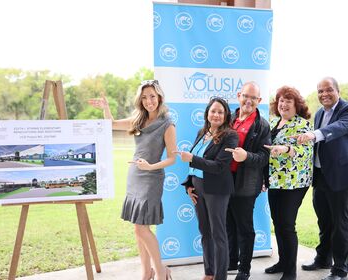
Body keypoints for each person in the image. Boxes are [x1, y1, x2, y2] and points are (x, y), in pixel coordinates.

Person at [88, 80, 176, 280]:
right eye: (144, 97)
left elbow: (172, 157)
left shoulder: (167, 124)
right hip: (135, 176)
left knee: (141, 228)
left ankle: (161, 272)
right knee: (138, 229)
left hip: (151, 178)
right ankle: (147, 272)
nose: (148, 101)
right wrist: (106, 108)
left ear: (159, 97)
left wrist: (150, 166)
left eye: (152, 96)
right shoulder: (138, 119)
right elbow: (110, 125)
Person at [296, 77, 348, 280]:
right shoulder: (319, 113)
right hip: (321, 177)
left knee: (341, 223)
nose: (324, 94)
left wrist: (314, 134)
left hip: (344, 177)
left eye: (328, 90)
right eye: (320, 91)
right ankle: (323, 259)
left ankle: (340, 270)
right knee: (324, 221)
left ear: (337, 90)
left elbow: (341, 127)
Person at [177, 97, 238, 280]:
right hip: (198, 188)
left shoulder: (230, 136)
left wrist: (192, 159)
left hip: (217, 190)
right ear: (207, 113)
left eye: (220, 111)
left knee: (218, 234)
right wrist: (189, 184)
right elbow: (194, 164)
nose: (216, 115)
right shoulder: (202, 132)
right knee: (205, 233)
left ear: (226, 114)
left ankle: (220, 276)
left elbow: (219, 166)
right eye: (213, 111)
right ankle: (209, 273)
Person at [263, 86, 313, 280]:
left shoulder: (302, 124)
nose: (283, 104)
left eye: (288, 101)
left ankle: (291, 271)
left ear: (296, 105)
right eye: (281, 100)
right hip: (275, 181)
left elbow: (306, 151)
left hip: (294, 182)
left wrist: (287, 149)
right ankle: (282, 262)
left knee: (287, 224)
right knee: (278, 223)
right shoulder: (274, 122)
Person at [225, 81, 271, 280]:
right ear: (238, 96)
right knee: (229, 223)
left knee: (244, 227)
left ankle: (244, 269)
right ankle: (231, 261)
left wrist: (246, 156)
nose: (249, 100)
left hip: (246, 184)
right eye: (246, 96)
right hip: (225, 180)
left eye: (253, 97)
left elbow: (264, 157)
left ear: (259, 101)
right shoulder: (230, 118)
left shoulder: (262, 125)